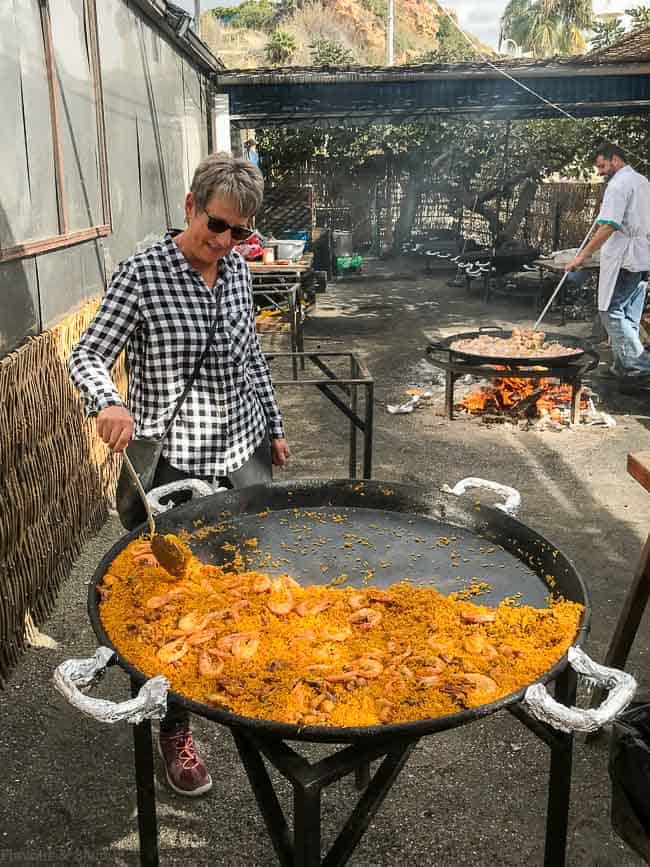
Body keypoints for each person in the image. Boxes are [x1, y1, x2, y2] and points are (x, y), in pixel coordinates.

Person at [69, 152, 290, 796]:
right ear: (191, 207)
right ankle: (173, 724)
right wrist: (107, 401)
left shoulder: (239, 273)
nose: (223, 242)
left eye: (239, 233)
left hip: (240, 452)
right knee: (165, 603)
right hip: (170, 463)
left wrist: (272, 425)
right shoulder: (142, 272)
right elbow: (88, 354)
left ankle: (243, 685)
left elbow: (251, 359)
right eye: (216, 225)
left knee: (245, 577)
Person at [565, 143, 650, 393]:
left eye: (602, 166)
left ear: (615, 160)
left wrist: (583, 255)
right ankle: (624, 368)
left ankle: (640, 367)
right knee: (629, 315)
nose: (600, 172)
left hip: (625, 258)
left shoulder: (619, 185)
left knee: (610, 312)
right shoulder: (642, 181)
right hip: (642, 257)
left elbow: (609, 225)